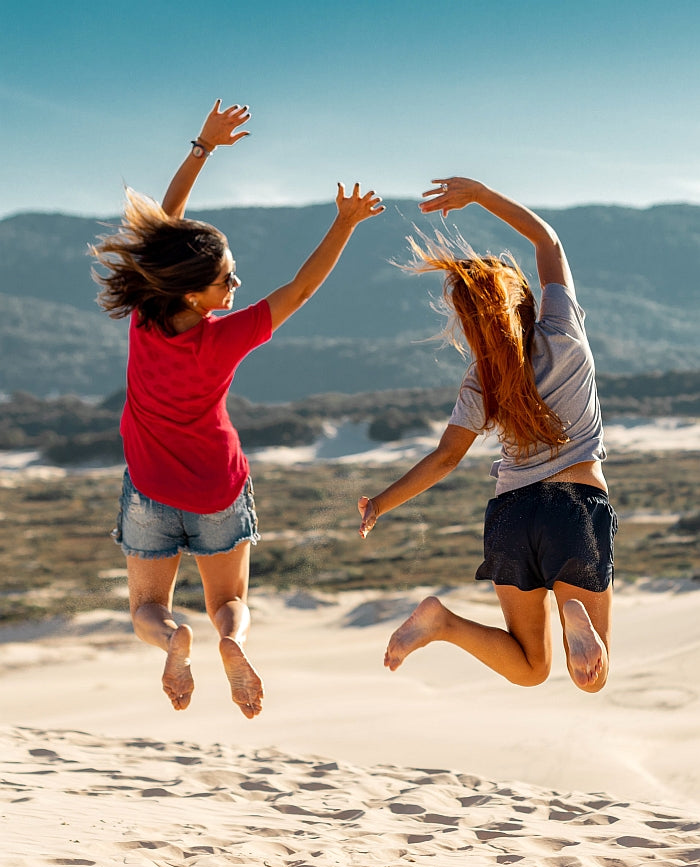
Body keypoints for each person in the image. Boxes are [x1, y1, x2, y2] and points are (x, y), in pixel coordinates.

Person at [91, 98, 384, 717]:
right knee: (230, 603)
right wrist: (345, 224)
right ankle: (230, 642)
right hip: (219, 489)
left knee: (146, 609)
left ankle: (174, 640)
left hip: (149, 491)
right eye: (228, 280)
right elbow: (301, 288)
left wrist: (202, 147)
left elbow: (163, 227)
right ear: (196, 294)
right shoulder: (224, 336)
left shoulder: (147, 318)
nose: (236, 288)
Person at [358, 177, 617, 694]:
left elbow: (446, 458)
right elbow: (548, 242)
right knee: (590, 680)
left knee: (530, 668)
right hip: (575, 507)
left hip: (511, 516)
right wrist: (478, 194)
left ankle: (443, 622)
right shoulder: (561, 329)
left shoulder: (482, 379)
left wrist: (380, 504)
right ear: (522, 298)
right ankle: (572, 608)